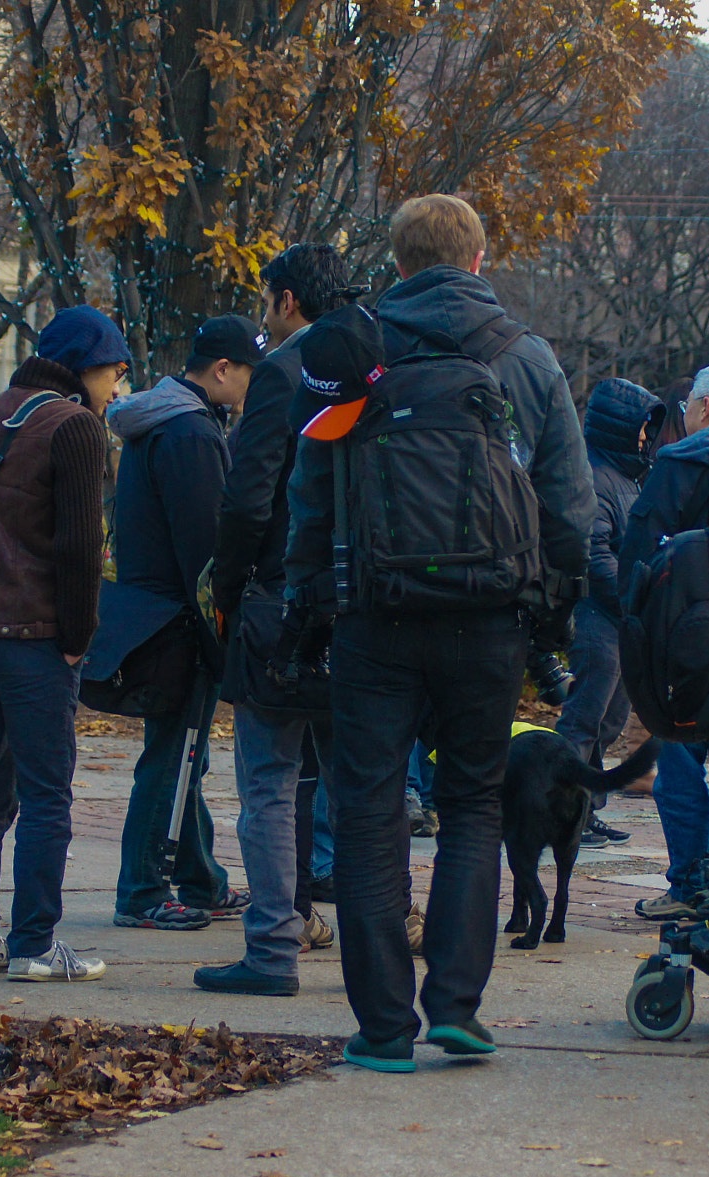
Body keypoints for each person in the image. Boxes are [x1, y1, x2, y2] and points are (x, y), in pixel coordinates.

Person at [283, 193, 593, 1072]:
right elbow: (570, 511)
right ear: (481, 259)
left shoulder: (350, 349)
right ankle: (456, 1004)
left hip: (374, 618)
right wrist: (552, 608)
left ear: (399, 260)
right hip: (491, 619)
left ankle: (383, 1025)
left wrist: (310, 601)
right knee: (471, 804)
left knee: (372, 809)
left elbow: (310, 490)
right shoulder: (525, 358)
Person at [0, 305, 121, 982]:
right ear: (83, 368)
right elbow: (80, 546)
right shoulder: (74, 426)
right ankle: (36, 945)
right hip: (36, 633)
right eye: (111, 373)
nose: (115, 389)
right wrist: (78, 637)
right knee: (48, 793)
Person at [196, 245, 354, 995]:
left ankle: (271, 951)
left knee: (268, 779)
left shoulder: (283, 377)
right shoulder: (379, 368)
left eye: (266, 301)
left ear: (287, 300)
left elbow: (249, 499)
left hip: (281, 603)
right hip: (363, 603)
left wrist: (228, 589)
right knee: (363, 783)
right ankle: (379, 942)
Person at [106, 315, 262, 930]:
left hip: (149, 611)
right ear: (222, 370)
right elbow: (206, 555)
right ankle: (142, 891)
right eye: (247, 375)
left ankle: (200, 879)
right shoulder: (193, 434)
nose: (249, 389)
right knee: (173, 758)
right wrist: (221, 636)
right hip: (178, 622)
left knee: (180, 756)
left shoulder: (153, 424)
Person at [621, 362, 709, 919]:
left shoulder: (678, 467)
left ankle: (687, 887)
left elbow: (637, 559)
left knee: (680, 770)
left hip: (685, 652)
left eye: (686, 406)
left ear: (704, 408)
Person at [559, 377, 664, 847]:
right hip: (597, 614)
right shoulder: (595, 476)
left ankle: (586, 808)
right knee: (584, 719)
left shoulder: (627, 475)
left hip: (619, 617)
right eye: (642, 428)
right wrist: (629, 594)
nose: (647, 437)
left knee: (608, 722)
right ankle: (565, 810)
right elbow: (592, 549)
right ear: (622, 427)